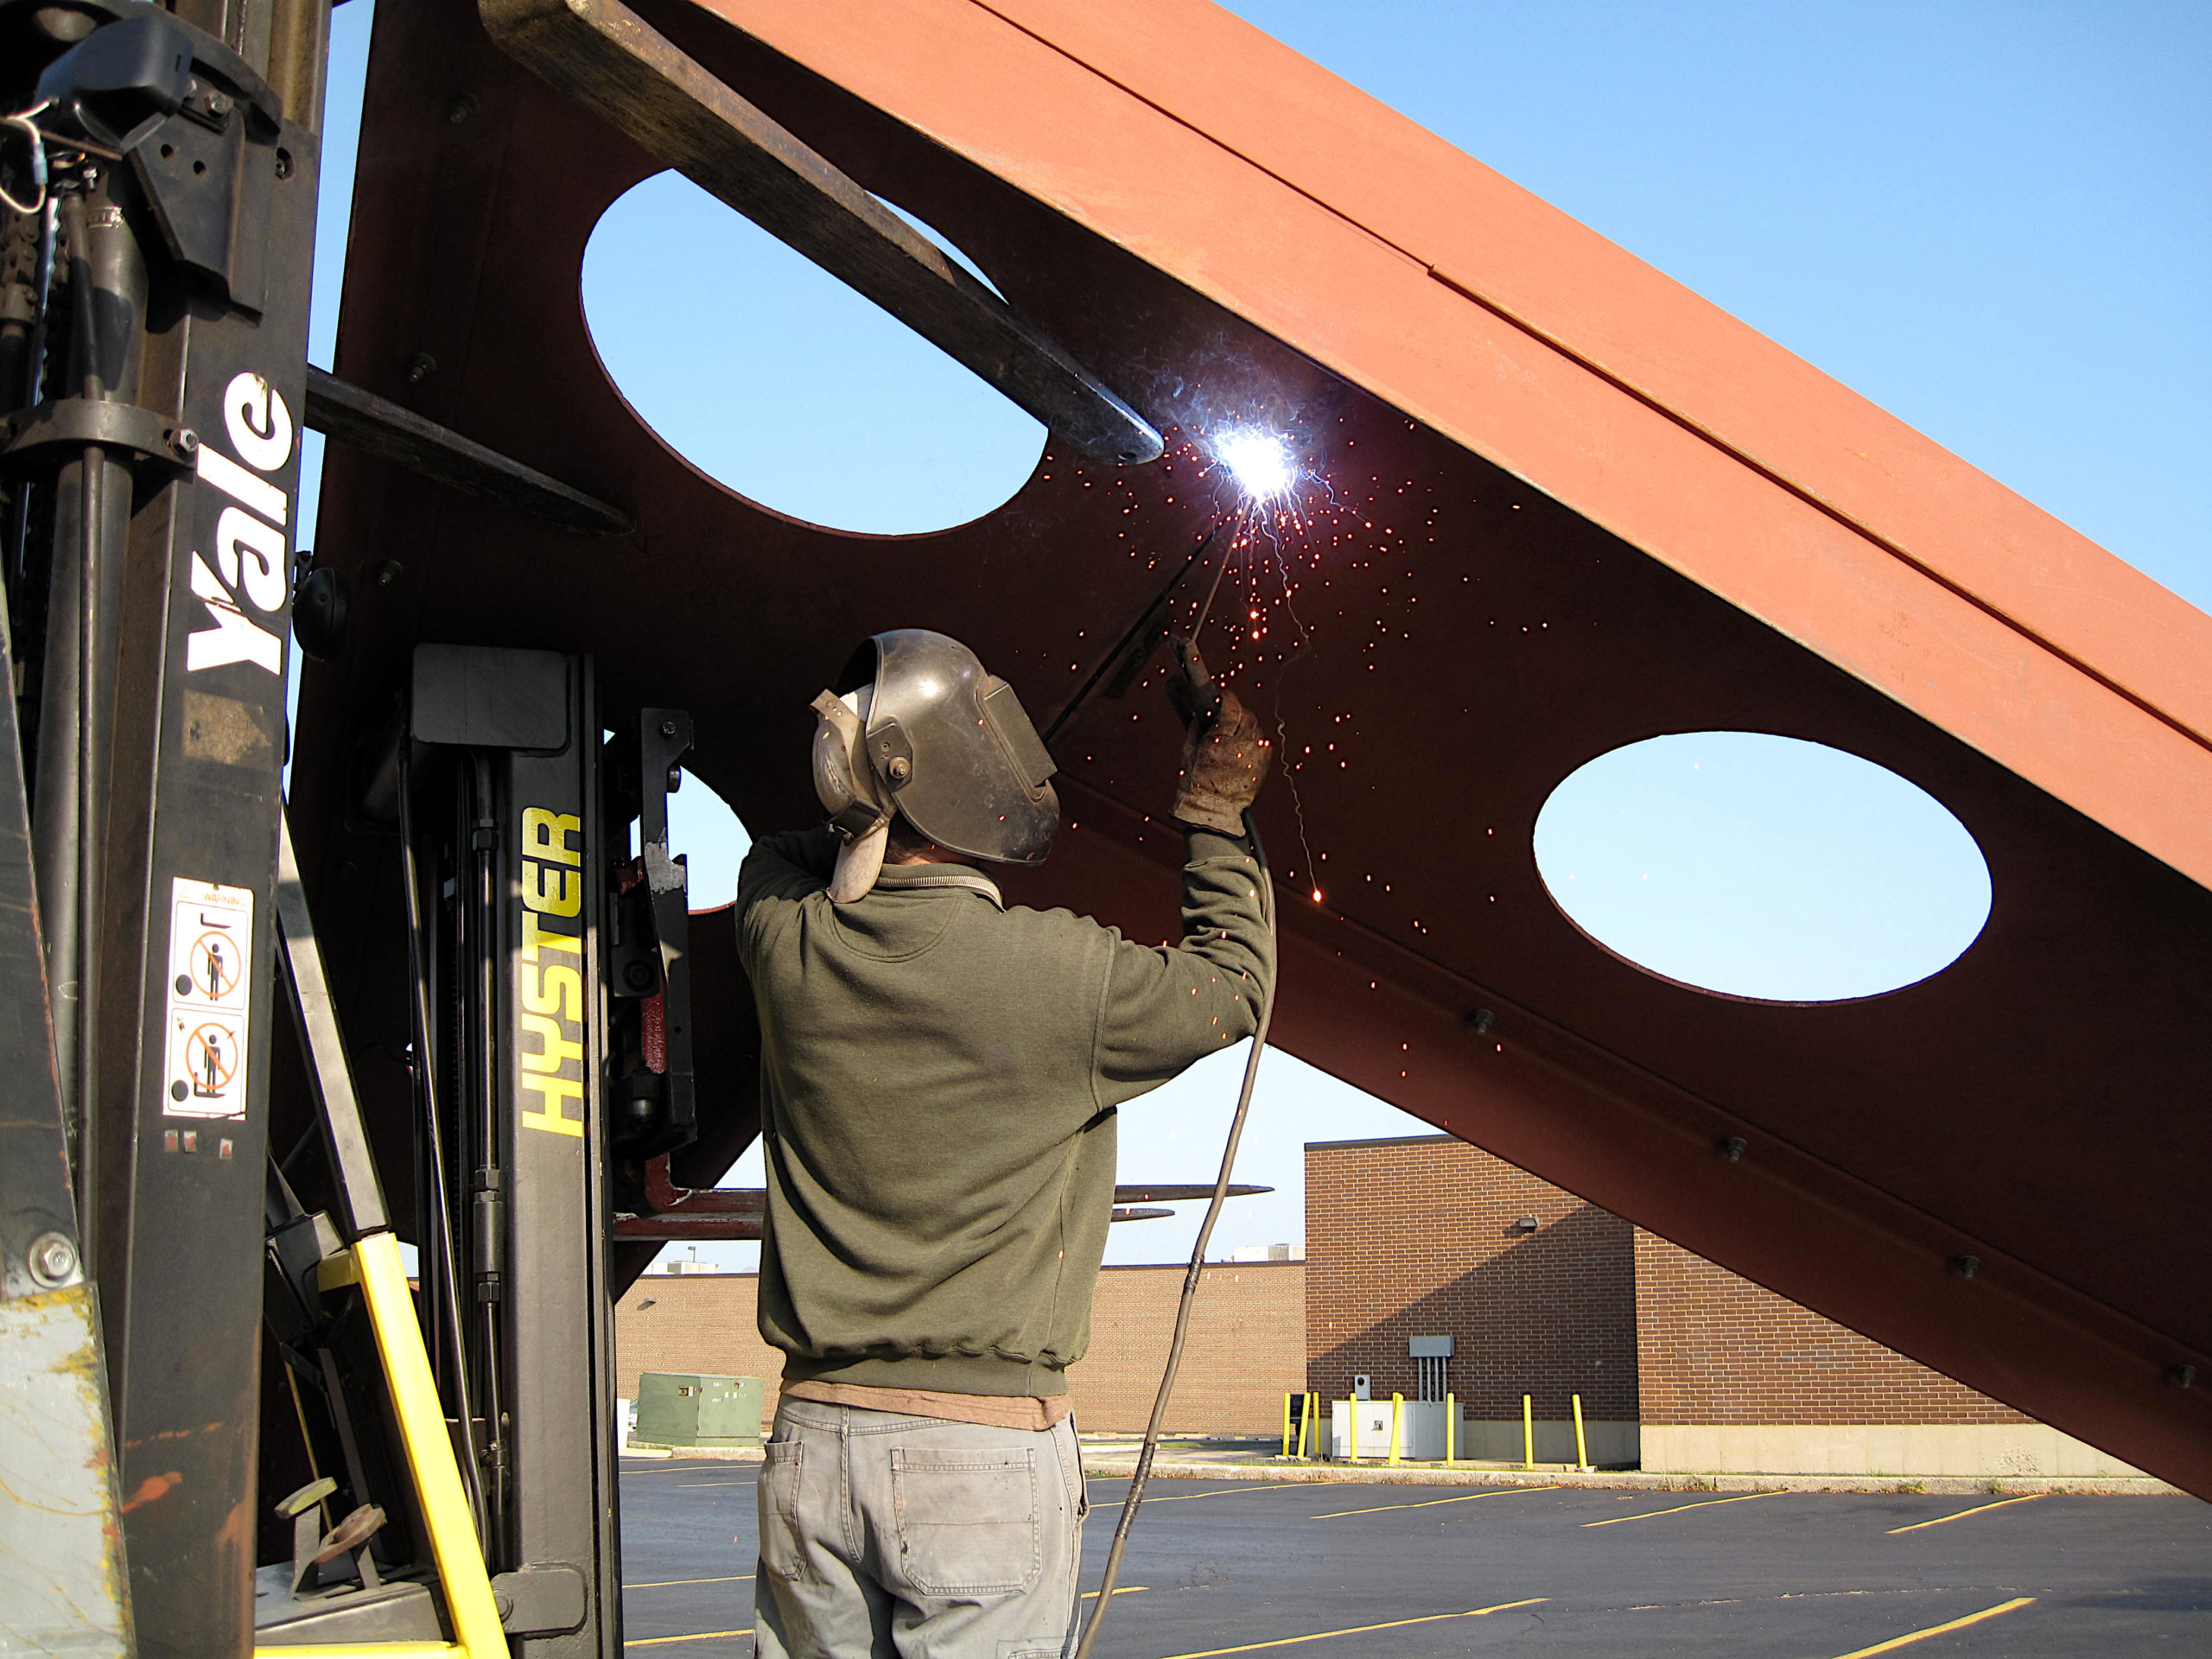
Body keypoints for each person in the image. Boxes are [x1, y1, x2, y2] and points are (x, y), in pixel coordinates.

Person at [734, 628, 1274, 1659]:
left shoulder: (786, 942)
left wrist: (863, 807)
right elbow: (1232, 984)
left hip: (812, 1442)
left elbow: (785, 855)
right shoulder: (1064, 977)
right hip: (979, 1455)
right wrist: (1213, 813)